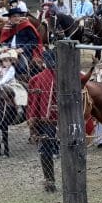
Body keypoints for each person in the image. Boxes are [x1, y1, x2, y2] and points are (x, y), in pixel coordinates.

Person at [27, 50, 60, 191]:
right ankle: (50, 181)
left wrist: (33, 121)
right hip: (55, 121)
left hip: (46, 121)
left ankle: (49, 181)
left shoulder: (37, 79)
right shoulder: (37, 79)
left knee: (45, 149)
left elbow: (32, 105)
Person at [0, 49, 28, 156]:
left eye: (9, 60)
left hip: (10, 84)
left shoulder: (11, 69)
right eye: (5, 61)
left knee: (17, 93)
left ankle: (18, 106)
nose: (7, 62)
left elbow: (7, 79)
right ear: (1, 61)